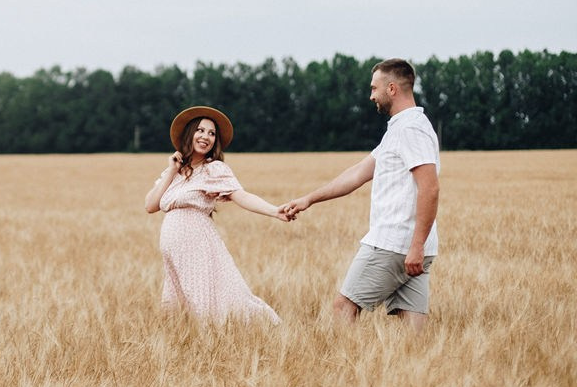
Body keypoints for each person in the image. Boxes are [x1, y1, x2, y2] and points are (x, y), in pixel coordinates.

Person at [283, 59, 440, 331]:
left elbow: (430, 187)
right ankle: (417, 373)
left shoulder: (411, 129)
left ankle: (341, 369)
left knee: (343, 307)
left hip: (394, 242)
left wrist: (415, 246)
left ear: (391, 88)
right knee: (413, 326)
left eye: (374, 88)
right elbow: (357, 174)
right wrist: (309, 199)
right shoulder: (400, 128)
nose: (371, 96)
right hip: (411, 245)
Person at [145, 105, 289, 322]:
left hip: (198, 247)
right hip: (175, 255)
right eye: (200, 130)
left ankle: (256, 330)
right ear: (189, 134)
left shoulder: (214, 169)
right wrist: (172, 170)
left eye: (212, 134)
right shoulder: (172, 172)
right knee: (182, 312)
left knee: (207, 302)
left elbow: (241, 196)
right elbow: (150, 205)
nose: (206, 137)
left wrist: (274, 211)